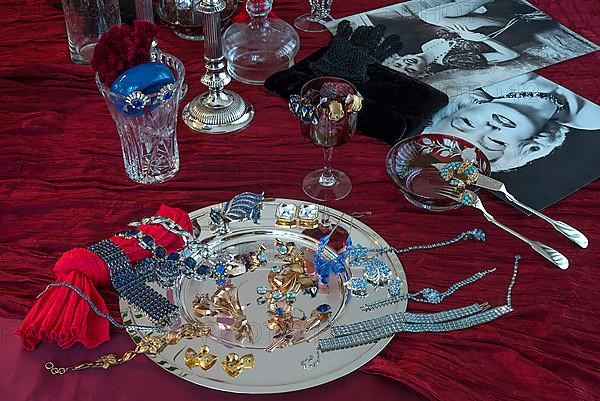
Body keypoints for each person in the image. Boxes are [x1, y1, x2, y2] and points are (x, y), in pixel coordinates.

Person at [422, 73, 598, 171]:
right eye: (494, 142)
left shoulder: (490, 71)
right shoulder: (592, 118)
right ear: (530, 147)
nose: (489, 128)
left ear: (464, 107)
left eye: (466, 123)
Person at [391, 0, 525, 77]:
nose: (407, 63)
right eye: (410, 69)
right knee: (427, 15)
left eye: (399, 64)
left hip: (484, 18)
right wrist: (482, 39)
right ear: (423, 73)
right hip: (505, 28)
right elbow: (512, 54)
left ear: (398, 58)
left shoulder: (425, 46)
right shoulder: (453, 60)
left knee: (427, 15)